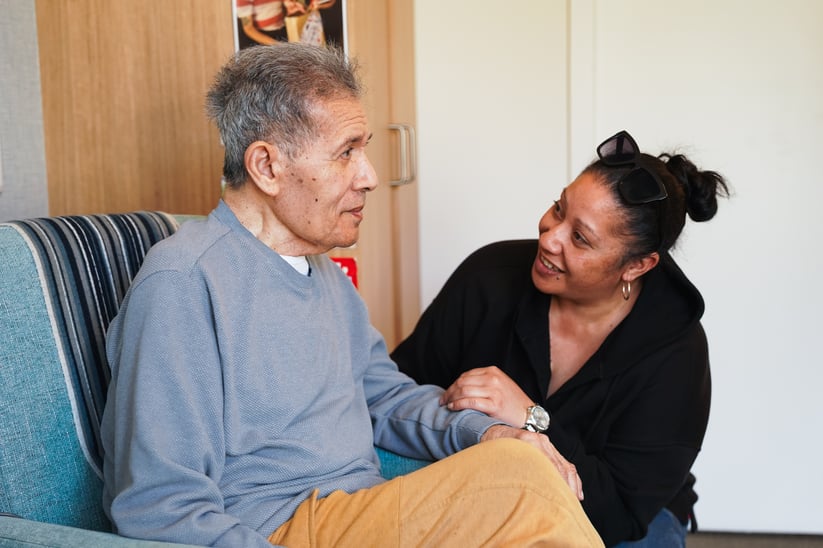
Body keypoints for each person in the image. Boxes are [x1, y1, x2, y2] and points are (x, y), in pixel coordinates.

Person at [100, 43, 603, 547]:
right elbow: (159, 504)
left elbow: (384, 398)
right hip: (281, 528)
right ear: (267, 167)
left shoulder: (324, 274)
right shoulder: (185, 283)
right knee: (520, 482)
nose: (370, 177)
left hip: (364, 510)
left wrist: (487, 431)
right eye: (346, 153)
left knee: (518, 461)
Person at [392, 130, 729, 547]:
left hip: (622, 518)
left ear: (637, 266)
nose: (549, 237)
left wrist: (531, 418)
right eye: (558, 208)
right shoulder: (488, 277)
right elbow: (399, 393)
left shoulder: (676, 351)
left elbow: (619, 512)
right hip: (485, 481)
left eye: (580, 238)